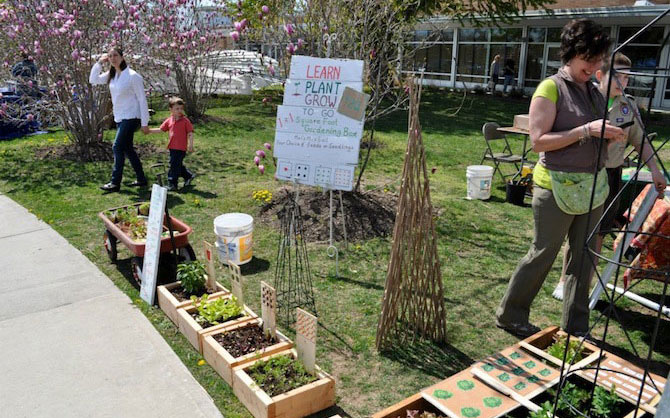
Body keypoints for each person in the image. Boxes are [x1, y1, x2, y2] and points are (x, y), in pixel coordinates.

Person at [496, 19, 626, 338]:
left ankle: (576, 325)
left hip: (592, 188)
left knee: (584, 258)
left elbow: (594, 132)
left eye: (599, 60)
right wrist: (585, 131)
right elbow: (538, 141)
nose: (595, 65)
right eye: (590, 58)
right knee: (543, 253)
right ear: (572, 52)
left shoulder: (594, 93)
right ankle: (510, 314)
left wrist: (608, 137)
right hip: (555, 187)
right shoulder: (550, 88)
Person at [551, 52, 667, 300]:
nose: (624, 82)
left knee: (600, 231)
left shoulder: (627, 105)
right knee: (577, 231)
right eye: (619, 77)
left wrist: (656, 170)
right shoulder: (583, 99)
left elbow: (639, 140)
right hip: (583, 174)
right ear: (600, 75)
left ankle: (584, 284)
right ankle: (564, 280)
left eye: (627, 78)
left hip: (611, 174)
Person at [89, 46, 149, 192]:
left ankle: (115, 182)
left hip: (132, 116)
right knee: (128, 149)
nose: (113, 58)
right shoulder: (112, 75)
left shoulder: (133, 76)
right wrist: (99, 63)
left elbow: (142, 99)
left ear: (122, 57)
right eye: (110, 56)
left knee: (117, 147)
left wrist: (144, 123)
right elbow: (93, 80)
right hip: (120, 117)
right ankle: (141, 179)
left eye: (115, 55)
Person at [147, 97, 195, 191]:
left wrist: (190, 145)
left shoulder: (185, 121)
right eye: (177, 109)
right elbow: (161, 129)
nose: (179, 111)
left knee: (173, 165)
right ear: (171, 109)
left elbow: (190, 133)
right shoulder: (169, 120)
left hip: (181, 148)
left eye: (181, 108)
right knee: (177, 164)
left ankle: (172, 183)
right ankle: (188, 176)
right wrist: (149, 131)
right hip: (172, 147)